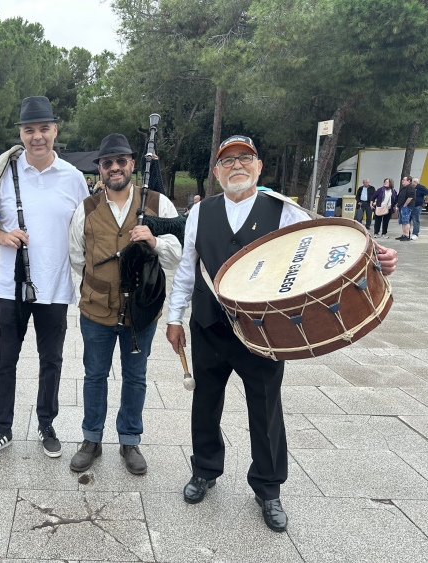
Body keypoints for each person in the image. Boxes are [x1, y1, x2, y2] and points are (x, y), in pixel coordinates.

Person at [165, 135, 397, 533]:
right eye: (227, 161)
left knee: (266, 408)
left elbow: (328, 244)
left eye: (244, 159)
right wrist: (174, 319)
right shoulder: (201, 213)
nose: (236, 166)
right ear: (217, 172)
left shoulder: (284, 210)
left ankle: (268, 488)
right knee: (204, 403)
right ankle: (205, 470)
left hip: (263, 332)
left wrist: (376, 256)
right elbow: (187, 268)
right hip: (208, 326)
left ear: (258, 167)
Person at [0, 96, 89, 462]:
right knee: (4, 360)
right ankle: (2, 428)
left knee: (51, 360)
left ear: (55, 130)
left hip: (55, 287)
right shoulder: (4, 174)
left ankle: (46, 423)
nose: (37, 136)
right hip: (10, 288)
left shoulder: (73, 179)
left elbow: (88, 232)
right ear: (21, 134)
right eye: (29, 130)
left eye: (44, 129)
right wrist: (3, 237)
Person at [68, 134, 181, 475]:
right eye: (107, 163)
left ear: (132, 164)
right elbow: (77, 258)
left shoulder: (159, 205)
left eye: (121, 161)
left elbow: (177, 257)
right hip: (96, 312)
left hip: (141, 313)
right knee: (94, 376)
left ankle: (130, 440)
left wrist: (155, 240)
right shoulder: (85, 209)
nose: (114, 168)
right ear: (100, 169)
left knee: (135, 377)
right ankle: (91, 439)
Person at [396, 176, 416, 241]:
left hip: (406, 207)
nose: (402, 181)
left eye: (404, 180)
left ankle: (407, 235)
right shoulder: (404, 188)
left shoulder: (410, 188)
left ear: (409, 181)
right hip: (402, 206)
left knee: (406, 221)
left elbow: (410, 197)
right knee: (402, 221)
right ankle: (404, 234)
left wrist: (405, 205)